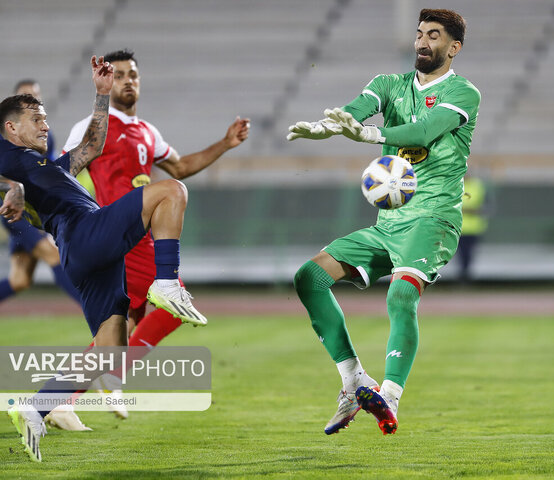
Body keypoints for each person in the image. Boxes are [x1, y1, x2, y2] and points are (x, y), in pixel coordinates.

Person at [2, 56, 206, 462]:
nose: (46, 125)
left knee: (111, 351)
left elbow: (92, 146)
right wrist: (12, 189)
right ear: (10, 127)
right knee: (172, 191)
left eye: (45, 119)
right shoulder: (8, 159)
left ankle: (37, 406)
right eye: (37, 119)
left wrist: (100, 93)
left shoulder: (49, 165)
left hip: (83, 255)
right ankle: (167, 282)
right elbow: (9, 182)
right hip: (85, 233)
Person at [288, 9, 480, 435]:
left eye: (434, 36)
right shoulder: (389, 84)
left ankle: (389, 397)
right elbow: (357, 110)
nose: (422, 43)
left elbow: (425, 131)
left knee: (400, 295)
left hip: (433, 218)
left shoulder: (464, 93)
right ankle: (354, 381)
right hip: (389, 222)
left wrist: (370, 136)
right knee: (309, 277)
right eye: (419, 34)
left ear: (454, 48)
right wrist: (327, 127)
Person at [51, 48, 249, 424]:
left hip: (139, 237)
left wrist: (225, 144)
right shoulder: (93, 126)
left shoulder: (146, 131)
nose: (128, 81)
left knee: (120, 324)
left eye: (133, 75)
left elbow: (179, 166)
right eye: (121, 74)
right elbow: (63, 175)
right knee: (173, 307)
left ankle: (61, 400)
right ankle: (114, 377)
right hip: (121, 235)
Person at [0, 80, 81, 307]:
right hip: (15, 212)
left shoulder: (47, 134)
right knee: (53, 255)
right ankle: (102, 318)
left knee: (20, 279)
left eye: (35, 96)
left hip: (34, 207)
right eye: (25, 95)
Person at [458, 176, 489, 282]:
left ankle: (466, 277)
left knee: (469, 254)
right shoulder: (455, 185)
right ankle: (463, 276)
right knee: (460, 254)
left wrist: (473, 211)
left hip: (473, 228)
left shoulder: (478, 187)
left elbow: (487, 207)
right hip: (457, 227)